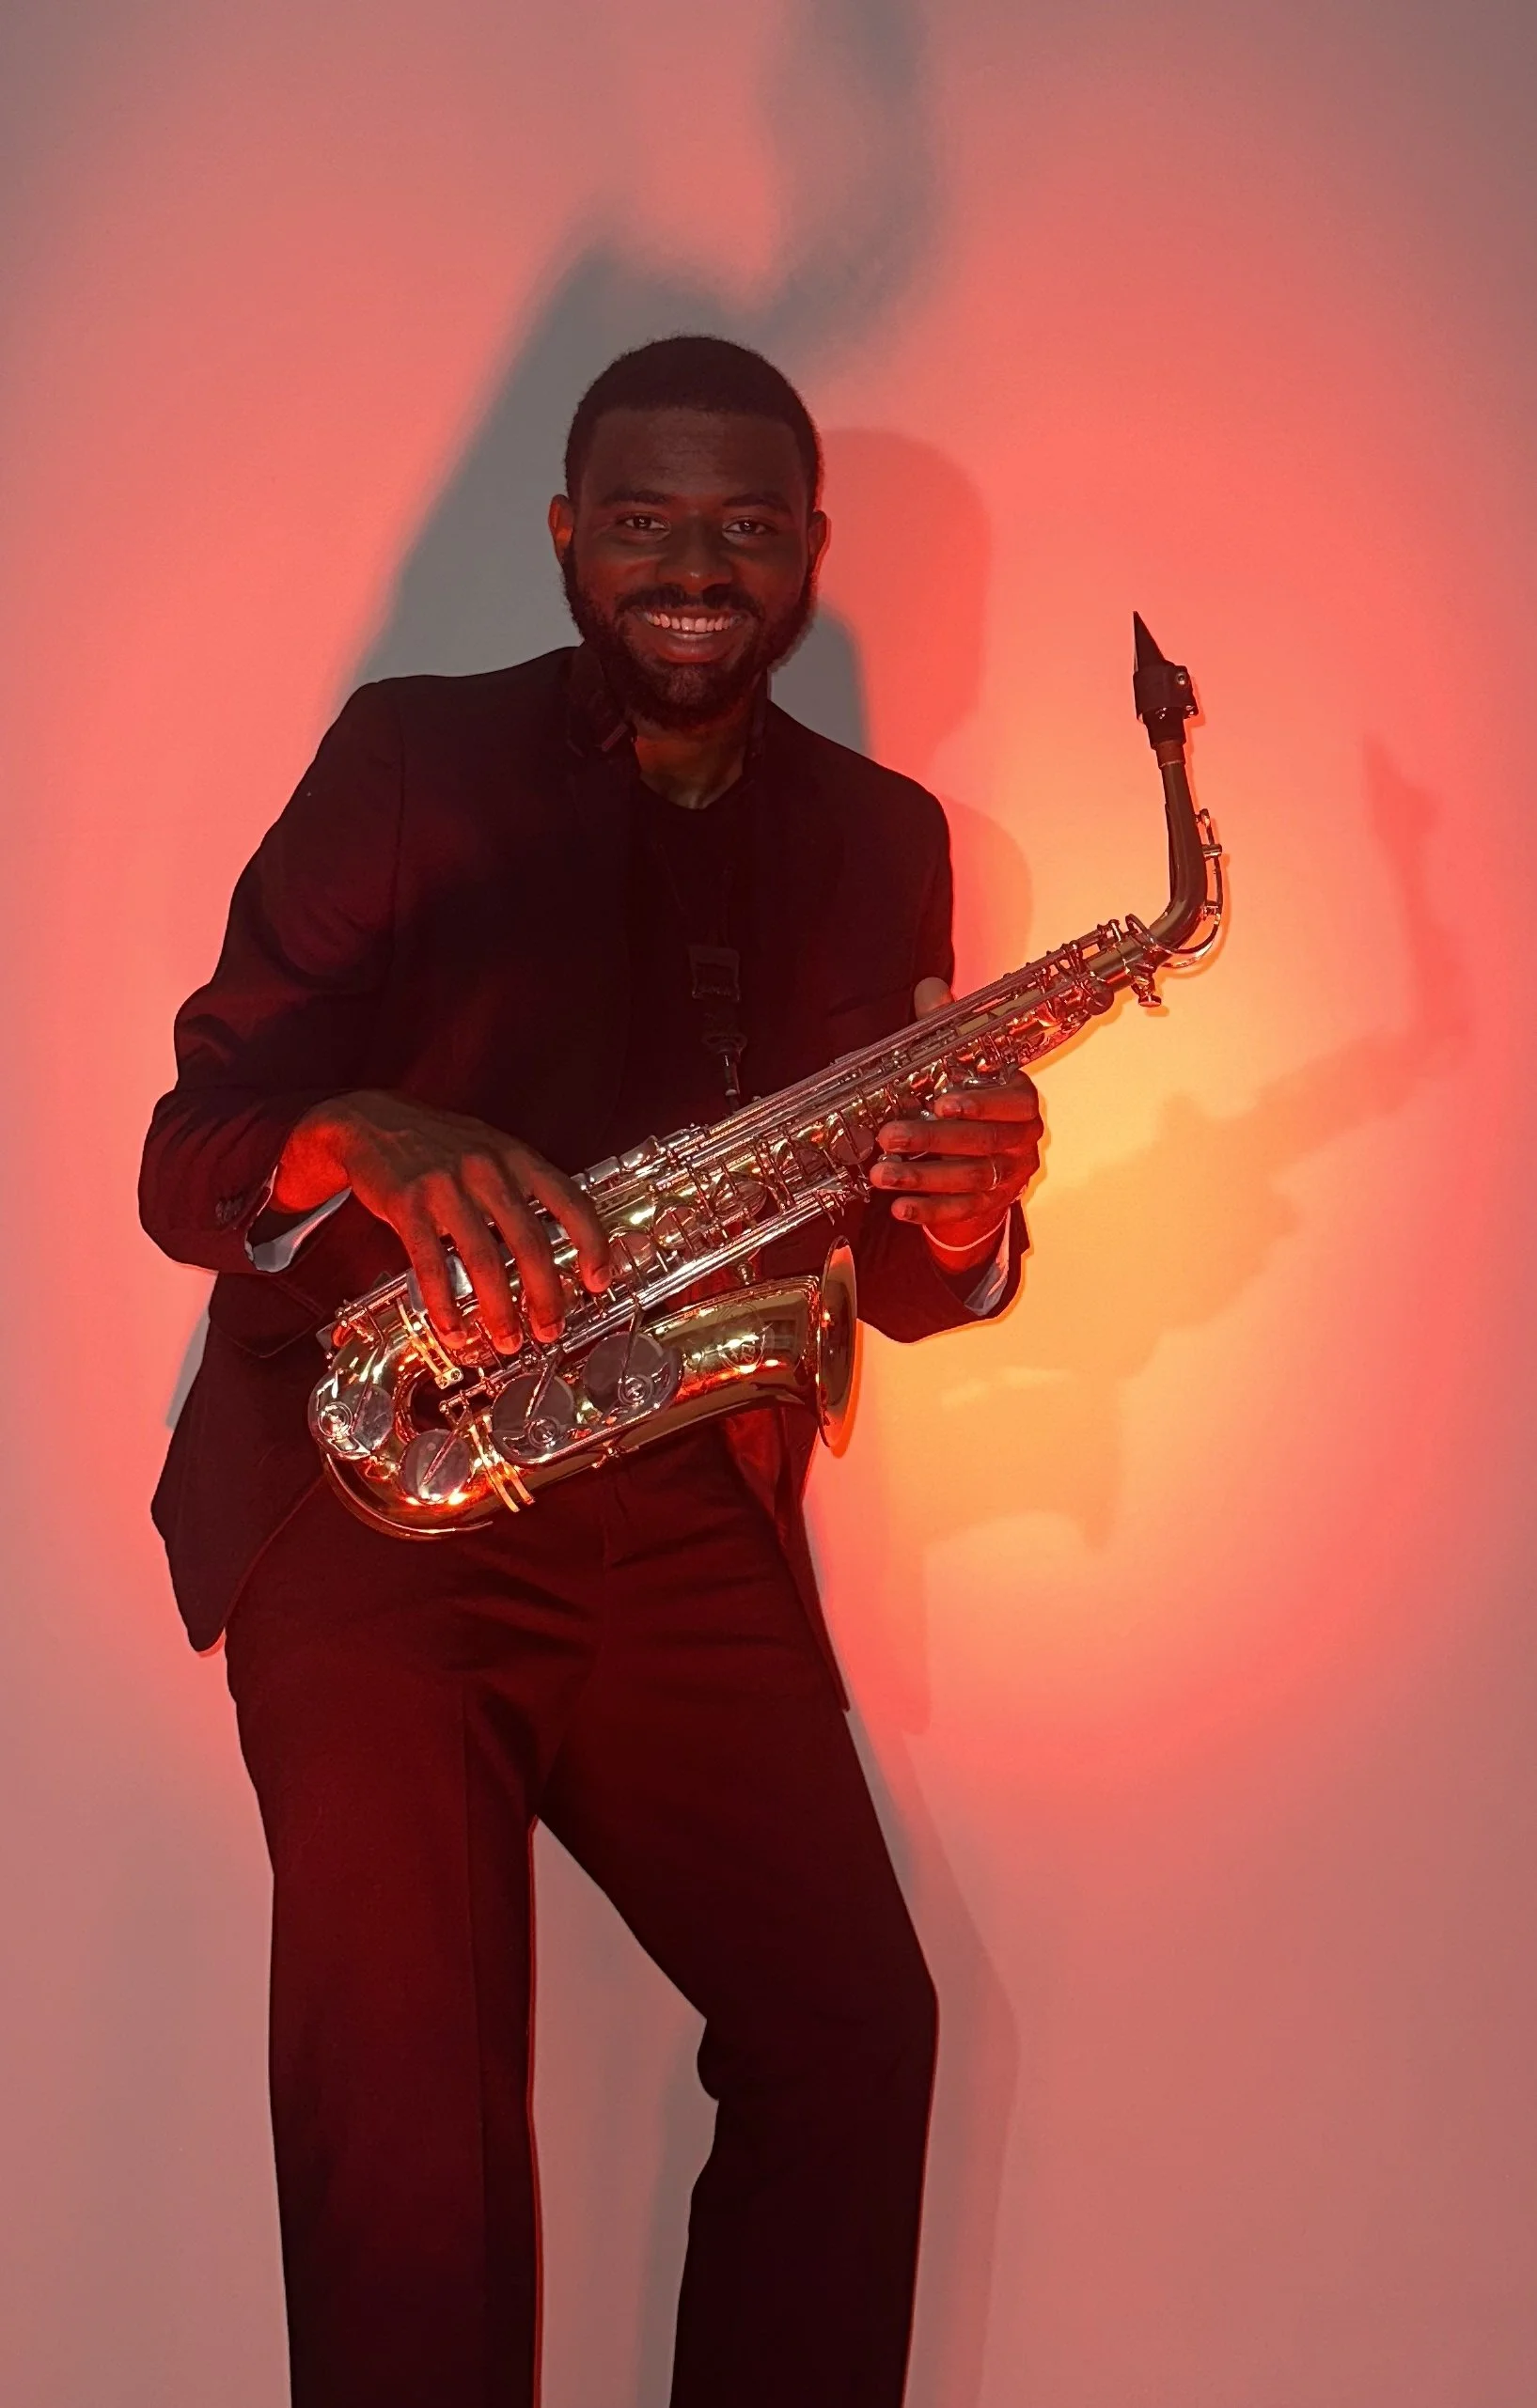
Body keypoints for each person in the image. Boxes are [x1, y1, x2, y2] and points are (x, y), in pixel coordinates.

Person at [140, 335, 1043, 2408]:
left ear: (808, 549)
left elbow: (890, 1273)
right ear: (566, 537)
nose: (692, 567)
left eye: (743, 525)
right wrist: (356, 1131)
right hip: (372, 1493)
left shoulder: (877, 837)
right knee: (413, 2131)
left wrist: (960, 1218)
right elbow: (187, 1152)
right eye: (642, 519)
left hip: (675, 1499)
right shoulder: (410, 761)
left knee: (848, 2034)